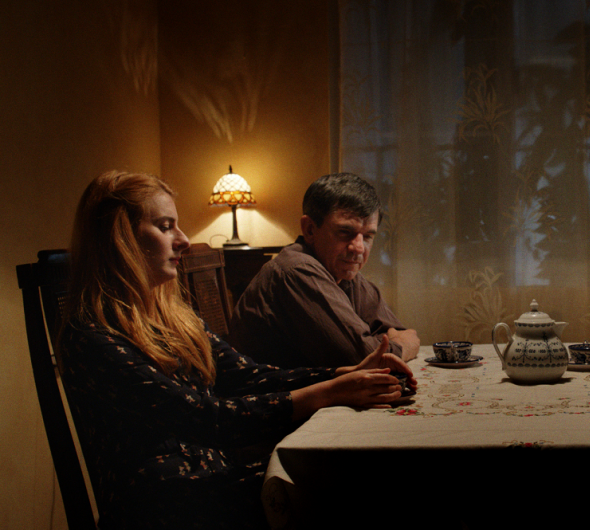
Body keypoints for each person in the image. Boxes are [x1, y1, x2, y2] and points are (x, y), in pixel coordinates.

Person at [59, 171, 416, 529]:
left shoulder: (173, 316)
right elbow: (206, 418)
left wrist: (340, 374)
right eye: (166, 227)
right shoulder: (90, 335)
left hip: (213, 475)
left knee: (369, 473)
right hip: (165, 503)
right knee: (362, 484)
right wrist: (329, 391)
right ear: (119, 238)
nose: (183, 240)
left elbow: (247, 375)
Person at [229, 172, 420, 368]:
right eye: (345, 232)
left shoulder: (342, 271)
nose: (358, 248)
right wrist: (402, 346)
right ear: (310, 229)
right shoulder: (297, 270)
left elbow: (394, 331)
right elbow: (366, 359)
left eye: (367, 236)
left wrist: (389, 343)